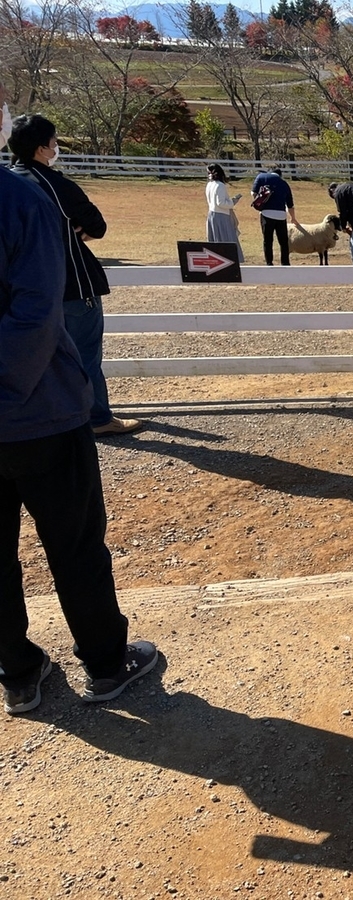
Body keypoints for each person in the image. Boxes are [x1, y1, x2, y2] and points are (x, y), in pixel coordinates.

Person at [1, 84, 159, 716]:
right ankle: (104, 661)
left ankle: (17, 668)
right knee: (74, 543)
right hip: (37, 410)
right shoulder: (21, 198)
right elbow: (38, 311)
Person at [7, 113, 143, 436]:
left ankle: (54, 417)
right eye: (53, 141)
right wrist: (71, 233)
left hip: (24, 289)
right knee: (85, 353)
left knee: (37, 356)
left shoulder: (10, 183)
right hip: (73, 285)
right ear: (42, 149)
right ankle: (97, 419)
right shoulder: (58, 185)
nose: (56, 146)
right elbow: (97, 226)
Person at [250, 166, 297, 266]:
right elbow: (290, 205)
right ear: (280, 175)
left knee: (268, 240)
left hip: (266, 214)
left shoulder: (261, 177)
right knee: (283, 241)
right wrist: (293, 218)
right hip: (281, 215)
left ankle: (269, 262)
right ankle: (285, 262)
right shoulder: (284, 184)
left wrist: (260, 204)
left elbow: (253, 193)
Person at [205, 163, 243, 262]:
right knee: (226, 239)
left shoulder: (209, 184)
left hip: (212, 214)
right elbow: (221, 203)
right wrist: (233, 201)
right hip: (221, 215)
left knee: (216, 238)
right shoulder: (220, 185)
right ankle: (230, 260)